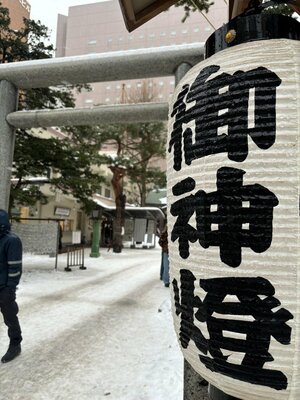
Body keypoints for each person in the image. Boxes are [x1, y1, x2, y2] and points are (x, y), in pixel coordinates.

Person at [0, 209, 23, 363]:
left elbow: (15, 267)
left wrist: (10, 288)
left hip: (4, 288)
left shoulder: (11, 240)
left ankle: (15, 343)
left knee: (9, 317)